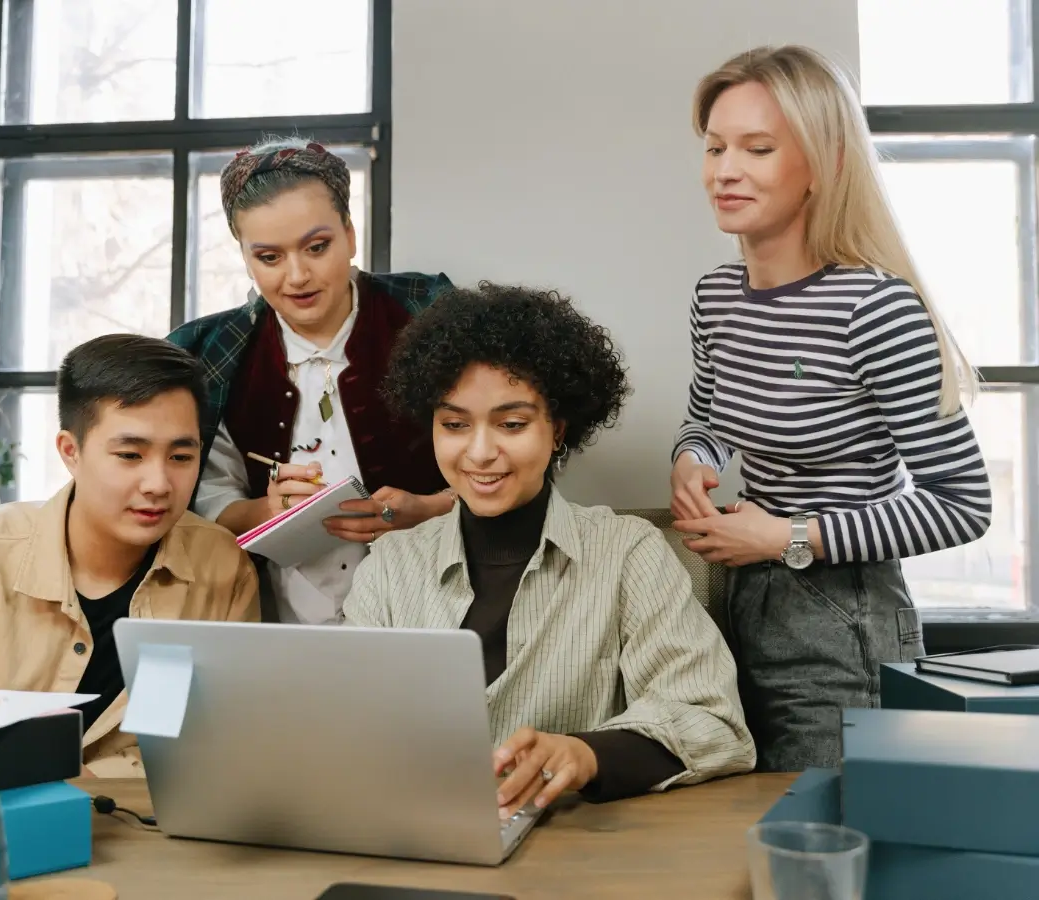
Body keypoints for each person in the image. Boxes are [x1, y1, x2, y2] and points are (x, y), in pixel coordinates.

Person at [669, 45, 993, 771]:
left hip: (845, 614)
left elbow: (962, 504)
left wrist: (789, 536)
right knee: (746, 839)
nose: (725, 170)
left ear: (823, 162)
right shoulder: (716, 296)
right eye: (716, 146)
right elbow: (711, 421)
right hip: (743, 600)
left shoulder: (875, 310)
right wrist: (693, 459)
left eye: (758, 148)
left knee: (829, 850)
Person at [344, 283, 756, 816]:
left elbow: (714, 723)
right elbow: (347, 725)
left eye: (511, 424)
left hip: (575, 861)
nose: (480, 452)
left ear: (557, 429)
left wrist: (584, 755)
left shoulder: (628, 554)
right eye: (454, 425)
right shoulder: (393, 566)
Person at [0, 334, 259, 776]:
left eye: (180, 456)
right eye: (129, 455)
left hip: (145, 831)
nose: (159, 483)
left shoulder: (221, 567)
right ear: (70, 451)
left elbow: (227, 742)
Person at [167, 137, 455, 626]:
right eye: (269, 258)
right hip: (280, 620)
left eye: (317, 247)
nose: (297, 276)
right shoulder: (210, 351)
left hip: (436, 608)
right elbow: (205, 496)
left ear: (350, 234)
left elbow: (508, 455)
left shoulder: (430, 314)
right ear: (245, 256)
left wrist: (427, 511)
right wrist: (264, 510)